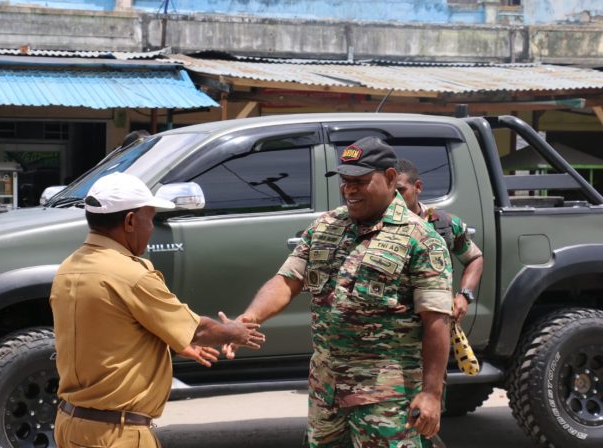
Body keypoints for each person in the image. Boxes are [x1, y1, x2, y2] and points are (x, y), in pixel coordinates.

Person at [227, 137, 453, 447]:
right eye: (345, 181)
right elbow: (287, 280)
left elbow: (437, 321)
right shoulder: (325, 226)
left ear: (389, 178)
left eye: (360, 181)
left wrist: (431, 393)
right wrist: (248, 319)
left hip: (386, 396)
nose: (349, 189)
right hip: (326, 388)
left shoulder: (420, 238)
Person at [50, 172, 265, 448]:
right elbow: (198, 330)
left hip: (70, 423)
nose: (151, 228)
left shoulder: (69, 267)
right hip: (115, 434)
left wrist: (172, 344)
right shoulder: (131, 274)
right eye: (149, 219)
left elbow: (109, 334)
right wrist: (235, 331)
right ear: (129, 221)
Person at [395, 159, 483, 323]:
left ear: (418, 187)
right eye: (390, 192)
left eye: (400, 190)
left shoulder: (442, 224)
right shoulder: (373, 225)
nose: (395, 198)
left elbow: (474, 258)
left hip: (436, 326)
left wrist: (464, 295)